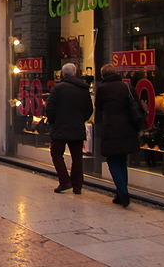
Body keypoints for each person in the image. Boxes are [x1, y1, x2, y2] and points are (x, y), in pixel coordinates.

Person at [95, 63, 141, 208]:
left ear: (103, 76)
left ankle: (123, 192)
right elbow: (136, 104)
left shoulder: (102, 89)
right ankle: (120, 192)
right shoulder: (126, 87)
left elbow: (99, 107)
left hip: (111, 127)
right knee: (122, 160)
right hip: (127, 127)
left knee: (113, 161)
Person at [45, 63, 93, 194]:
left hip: (60, 127)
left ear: (63, 74)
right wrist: (80, 120)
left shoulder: (57, 88)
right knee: (77, 157)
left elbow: (50, 108)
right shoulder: (83, 88)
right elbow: (89, 109)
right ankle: (77, 185)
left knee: (56, 153)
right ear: (75, 73)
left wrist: (52, 121)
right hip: (77, 127)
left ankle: (65, 181)